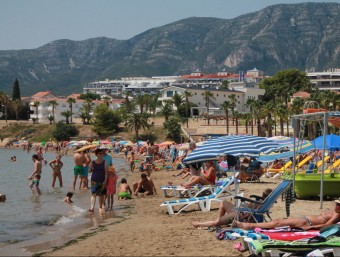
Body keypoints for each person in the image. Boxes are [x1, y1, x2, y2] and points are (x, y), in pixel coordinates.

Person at [234, 199, 340, 231]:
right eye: (336, 203)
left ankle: (248, 226)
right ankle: (248, 225)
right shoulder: (336, 211)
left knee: (277, 222)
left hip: (306, 222)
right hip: (304, 219)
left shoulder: (337, 215)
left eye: (338, 204)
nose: (336, 205)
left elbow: (328, 225)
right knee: (279, 221)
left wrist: (310, 227)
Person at [191, 188, 273, 228]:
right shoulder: (264, 203)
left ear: (263, 195)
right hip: (241, 211)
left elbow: (251, 215)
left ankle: (199, 224)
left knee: (216, 221)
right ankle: (219, 221)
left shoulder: (259, 204)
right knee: (224, 203)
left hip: (240, 215)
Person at [88, 148, 108, 212]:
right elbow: (89, 171)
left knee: (101, 194)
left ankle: (100, 207)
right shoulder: (92, 162)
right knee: (93, 194)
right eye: (99, 153)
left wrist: (105, 181)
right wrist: (90, 167)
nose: (101, 154)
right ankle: (92, 208)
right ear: (96, 154)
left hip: (102, 180)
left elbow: (106, 173)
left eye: (102, 153)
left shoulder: (105, 162)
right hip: (94, 180)